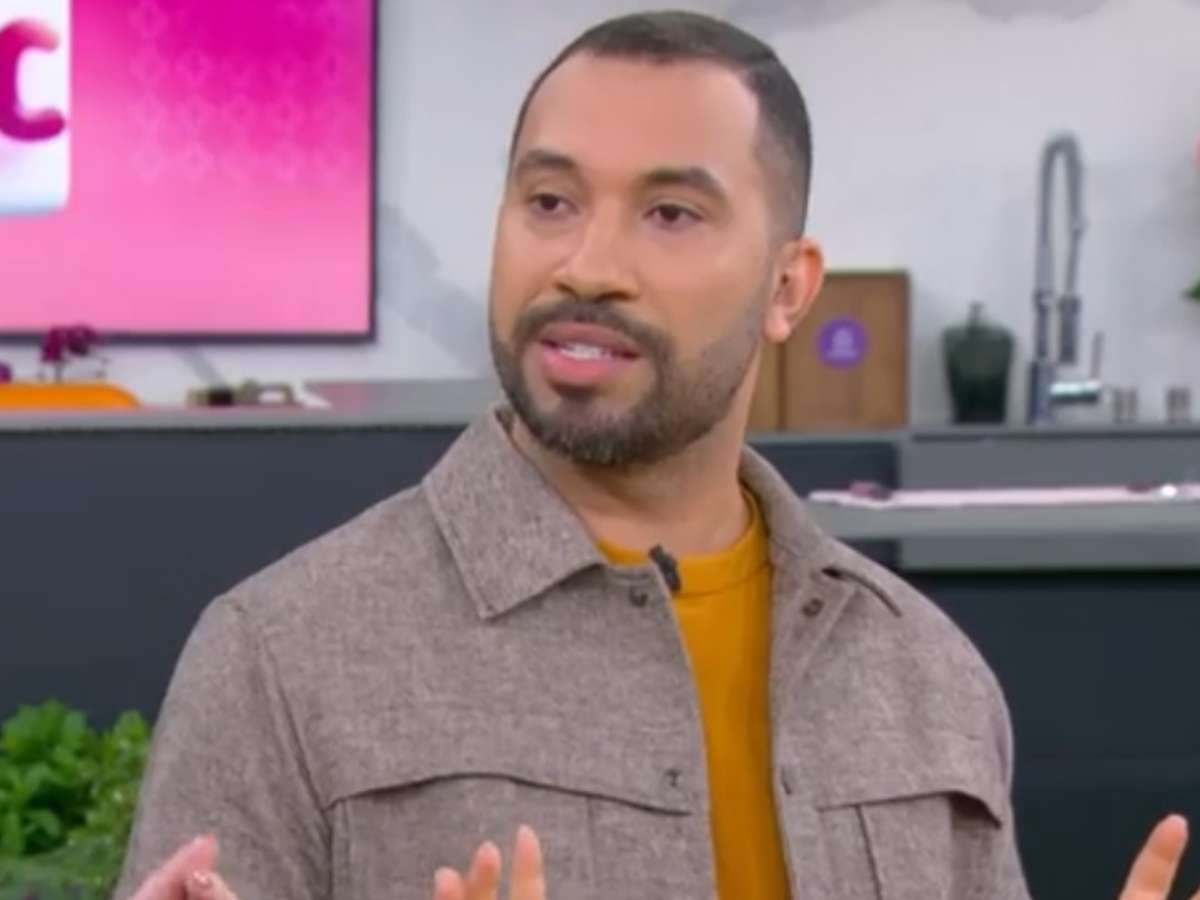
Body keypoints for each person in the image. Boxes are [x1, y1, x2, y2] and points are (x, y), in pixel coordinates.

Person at [115, 11, 1195, 900]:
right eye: (550, 202)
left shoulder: (926, 679)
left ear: (787, 287)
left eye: (671, 213)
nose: (588, 264)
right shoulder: (284, 658)